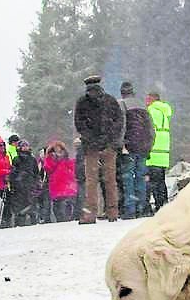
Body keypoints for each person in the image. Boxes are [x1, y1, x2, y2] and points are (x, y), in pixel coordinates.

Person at [73, 75, 123, 224]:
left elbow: (79, 124)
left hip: (92, 147)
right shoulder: (110, 100)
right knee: (109, 180)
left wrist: (92, 139)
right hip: (107, 146)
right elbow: (119, 121)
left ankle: (91, 213)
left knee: (92, 181)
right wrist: (109, 138)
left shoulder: (82, 102)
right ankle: (112, 212)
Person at [118, 81, 155, 219]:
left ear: (122, 92)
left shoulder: (122, 104)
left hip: (130, 146)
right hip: (144, 147)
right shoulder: (143, 106)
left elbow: (123, 126)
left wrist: (121, 144)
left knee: (128, 177)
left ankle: (130, 209)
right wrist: (150, 146)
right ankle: (142, 207)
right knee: (141, 177)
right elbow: (151, 129)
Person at [145, 90, 173, 212]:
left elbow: (147, 131)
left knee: (153, 182)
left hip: (153, 152)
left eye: (148, 99)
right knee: (161, 181)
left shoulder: (151, 111)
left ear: (152, 99)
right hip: (164, 153)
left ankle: (155, 206)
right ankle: (164, 204)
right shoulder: (164, 113)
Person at [43, 140, 77, 222]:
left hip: (66, 182)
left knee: (66, 202)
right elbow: (48, 168)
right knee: (58, 203)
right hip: (56, 182)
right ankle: (60, 219)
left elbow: (72, 168)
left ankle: (66, 218)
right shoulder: (50, 158)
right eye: (56, 148)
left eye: (59, 148)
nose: (58, 150)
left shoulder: (67, 158)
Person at [9, 139, 40, 226]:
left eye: (26, 146)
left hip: (30, 184)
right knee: (20, 205)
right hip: (19, 186)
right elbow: (13, 173)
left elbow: (36, 172)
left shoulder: (32, 159)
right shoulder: (16, 159)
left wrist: (37, 183)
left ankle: (33, 222)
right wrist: (13, 184)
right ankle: (19, 223)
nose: (25, 147)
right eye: (23, 146)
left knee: (31, 204)